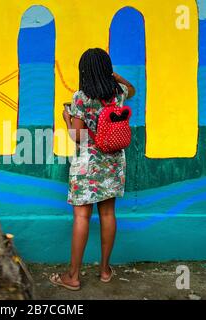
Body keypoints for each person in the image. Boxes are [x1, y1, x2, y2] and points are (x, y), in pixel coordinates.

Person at [49, 48, 136, 291]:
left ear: (84, 70)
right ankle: (105, 270)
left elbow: (78, 136)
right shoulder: (118, 93)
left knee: (81, 216)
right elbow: (133, 90)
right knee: (108, 215)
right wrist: (118, 78)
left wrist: (67, 118)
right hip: (114, 161)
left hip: (88, 162)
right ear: (107, 69)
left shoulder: (81, 97)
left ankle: (73, 276)